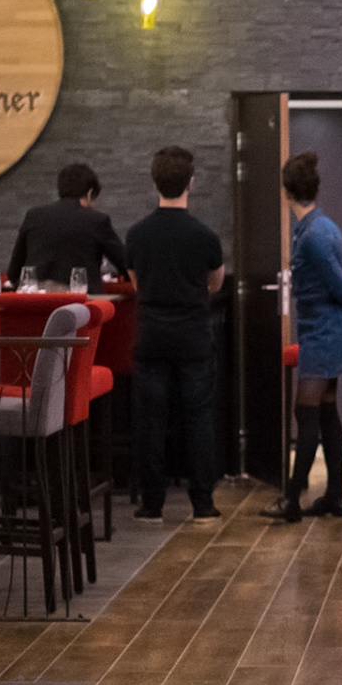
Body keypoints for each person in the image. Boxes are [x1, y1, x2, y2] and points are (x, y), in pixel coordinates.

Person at [124, 147, 225, 524]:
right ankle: (203, 504)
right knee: (199, 419)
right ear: (191, 183)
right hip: (194, 337)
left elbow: (136, 283)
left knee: (150, 422)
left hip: (151, 335)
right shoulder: (205, 236)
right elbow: (215, 284)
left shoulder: (137, 234)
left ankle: (151, 504)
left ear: (155, 182)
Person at [265, 151, 342, 523]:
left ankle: (291, 500)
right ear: (316, 190)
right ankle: (335, 496)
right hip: (330, 331)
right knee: (326, 411)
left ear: (286, 193)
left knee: (305, 412)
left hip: (323, 333)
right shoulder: (324, 226)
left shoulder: (313, 236)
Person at [7, 162, 127, 287]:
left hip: (37, 296)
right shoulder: (97, 220)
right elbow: (125, 264)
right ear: (90, 193)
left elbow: (14, 272)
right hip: (81, 297)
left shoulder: (34, 216)